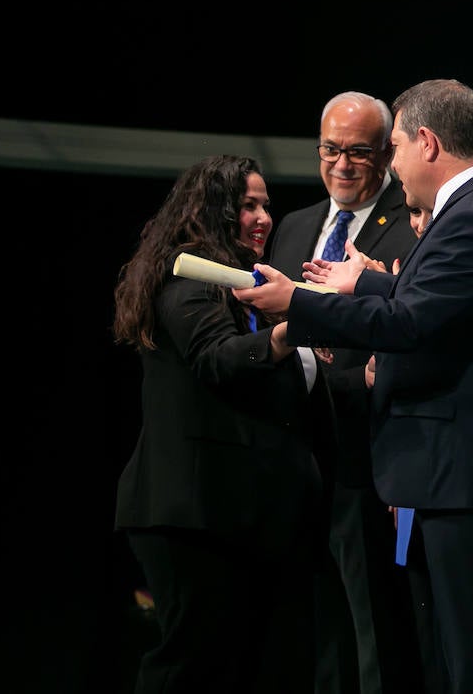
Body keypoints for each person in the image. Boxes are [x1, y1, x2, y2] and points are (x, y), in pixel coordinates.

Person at [235, 78, 473, 694]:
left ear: (427, 142)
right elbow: (434, 304)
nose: (392, 168)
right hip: (460, 476)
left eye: (396, 148)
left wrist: (297, 300)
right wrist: (366, 284)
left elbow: (412, 323)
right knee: (454, 662)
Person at [112, 155, 333, 693]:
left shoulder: (242, 287)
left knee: (227, 666)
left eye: (266, 206)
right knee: (190, 668)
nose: (262, 218)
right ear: (212, 212)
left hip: (230, 517)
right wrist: (290, 330)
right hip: (193, 513)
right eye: (247, 206)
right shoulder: (191, 273)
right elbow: (219, 359)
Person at [268, 91, 419, 694]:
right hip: (296, 456)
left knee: (373, 630)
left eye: (359, 152)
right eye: (331, 150)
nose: (342, 165)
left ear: (386, 153)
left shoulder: (411, 228)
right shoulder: (297, 227)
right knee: (315, 626)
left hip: (366, 460)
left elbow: (410, 339)